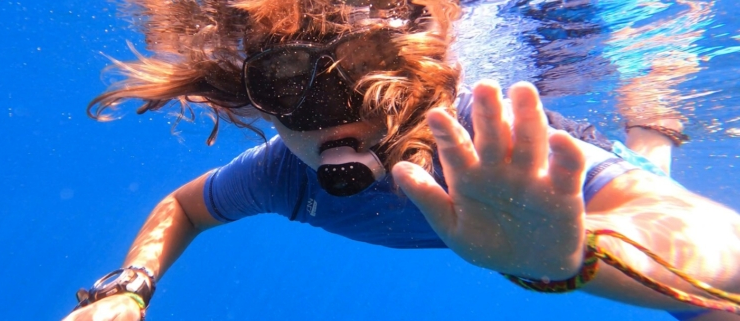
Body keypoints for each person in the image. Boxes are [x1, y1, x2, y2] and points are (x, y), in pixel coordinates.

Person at [63, 0, 740, 320]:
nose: (347, 124)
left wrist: (568, 260)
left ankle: (652, 98)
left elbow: (722, 251)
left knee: (662, 192)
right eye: (294, 98)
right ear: (259, 103)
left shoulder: (481, 140)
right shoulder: (281, 174)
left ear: (424, 77)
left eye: (376, 90)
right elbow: (184, 205)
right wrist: (128, 285)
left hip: (588, 199)